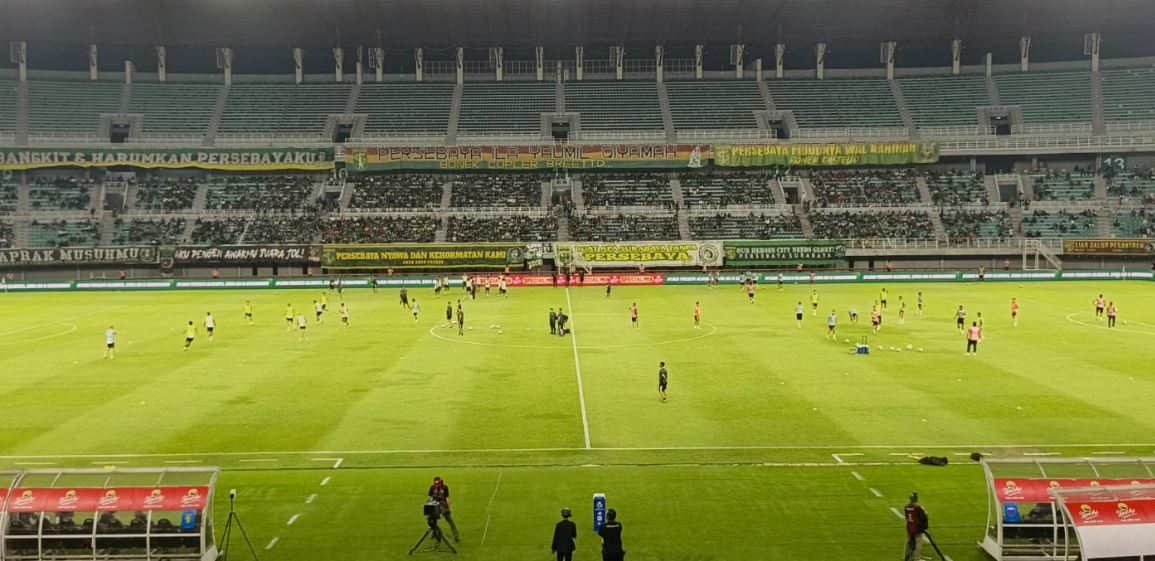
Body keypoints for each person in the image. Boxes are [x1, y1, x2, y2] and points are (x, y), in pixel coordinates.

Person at [428, 477, 460, 542]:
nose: (437, 485)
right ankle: (435, 533)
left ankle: (456, 535)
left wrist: (448, 508)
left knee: (450, 520)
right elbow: (430, 497)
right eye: (436, 484)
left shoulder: (445, 487)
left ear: (441, 482)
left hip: (443, 506)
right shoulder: (432, 487)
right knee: (430, 521)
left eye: (438, 484)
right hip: (434, 506)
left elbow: (447, 498)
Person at [904, 493, 929, 561]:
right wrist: (925, 527)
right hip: (917, 528)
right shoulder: (918, 507)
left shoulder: (906, 506)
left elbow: (906, 516)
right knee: (918, 542)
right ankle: (917, 558)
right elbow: (923, 517)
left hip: (909, 527)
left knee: (909, 542)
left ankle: (906, 556)